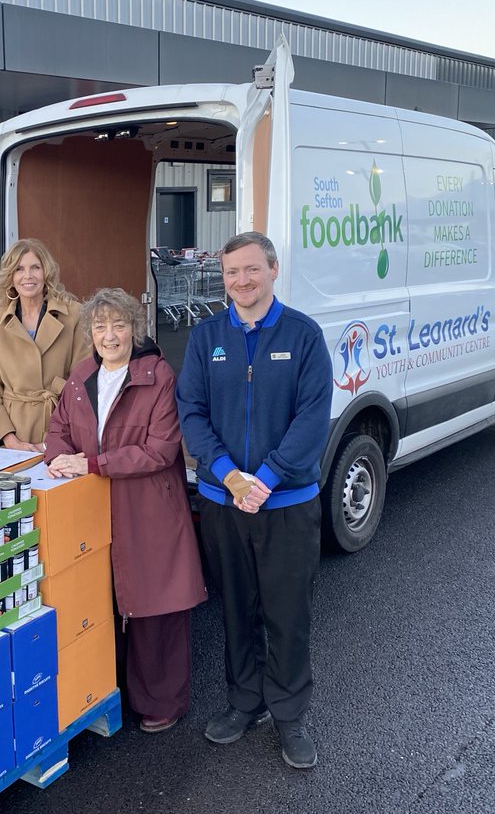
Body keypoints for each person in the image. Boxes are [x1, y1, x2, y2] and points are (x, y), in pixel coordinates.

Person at [175, 232, 332, 770]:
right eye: (231, 273)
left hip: (287, 502)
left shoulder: (303, 335)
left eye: (250, 270)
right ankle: (246, 702)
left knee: (287, 613)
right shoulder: (206, 337)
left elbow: (312, 418)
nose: (240, 281)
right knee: (237, 609)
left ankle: (290, 714)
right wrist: (227, 475)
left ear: (272, 270)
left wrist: (264, 478)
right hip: (224, 502)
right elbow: (191, 412)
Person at [45, 288, 206, 733]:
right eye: (100, 327)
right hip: (93, 507)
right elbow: (57, 428)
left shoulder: (157, 376)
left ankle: (162, 700)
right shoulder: (81, 376)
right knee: (104, 600)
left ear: (135, 330)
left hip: (148, 507)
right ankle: (107, 687)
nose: (109, 336)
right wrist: (58, 457)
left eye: (119, 325)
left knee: (156, 604)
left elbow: (159, 450)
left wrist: (92, 463)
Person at [0, 239, 90, 452]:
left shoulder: (74, 313)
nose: (27, 276)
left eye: (35, 267)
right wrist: (7, 438)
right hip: (12, 436)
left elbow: (82, 382)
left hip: (62, 428)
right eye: (19, 269)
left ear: (46, 272)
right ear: (10, 276)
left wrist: (53, 439)